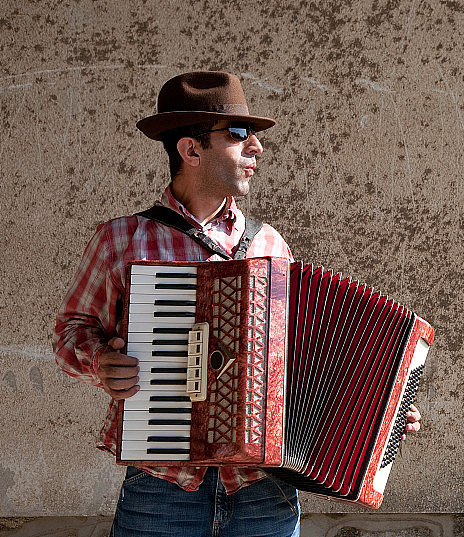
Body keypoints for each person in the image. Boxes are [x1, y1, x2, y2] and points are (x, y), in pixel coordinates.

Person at [53, 71, 422, 537]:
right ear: (191, 150)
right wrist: (101, 361)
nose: (257, 148)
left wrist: (380, 409)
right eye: (239, 134)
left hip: (264, 494)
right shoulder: (123, 239)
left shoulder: (270, 245)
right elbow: (71, 330)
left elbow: (307, 363)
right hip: (164, 490)